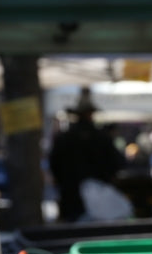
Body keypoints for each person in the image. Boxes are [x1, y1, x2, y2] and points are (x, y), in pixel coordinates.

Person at [48, 86, 126, 222]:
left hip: (71, 198)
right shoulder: (102, 137)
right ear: (91, 115)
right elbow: (118, 163)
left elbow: (53, 165)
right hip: (98, 201)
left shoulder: (64, 138)